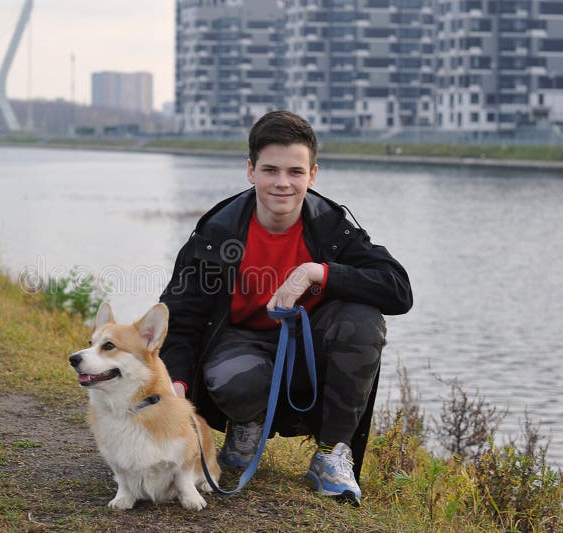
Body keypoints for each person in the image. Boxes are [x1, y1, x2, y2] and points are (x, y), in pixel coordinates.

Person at [158, 110, 412, 505]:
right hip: (240, 348)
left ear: (313, 175)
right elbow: (179, 318)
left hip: (310, 352)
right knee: (232, 377)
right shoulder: (216, 235)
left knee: (364, 321)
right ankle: (246, 427)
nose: (282, 183)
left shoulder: (332, 227)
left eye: (295, 172)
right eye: (270, 170)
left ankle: (331, 456)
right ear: (250, 171)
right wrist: (175, 385)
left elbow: (398, 290)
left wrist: (317, 272)